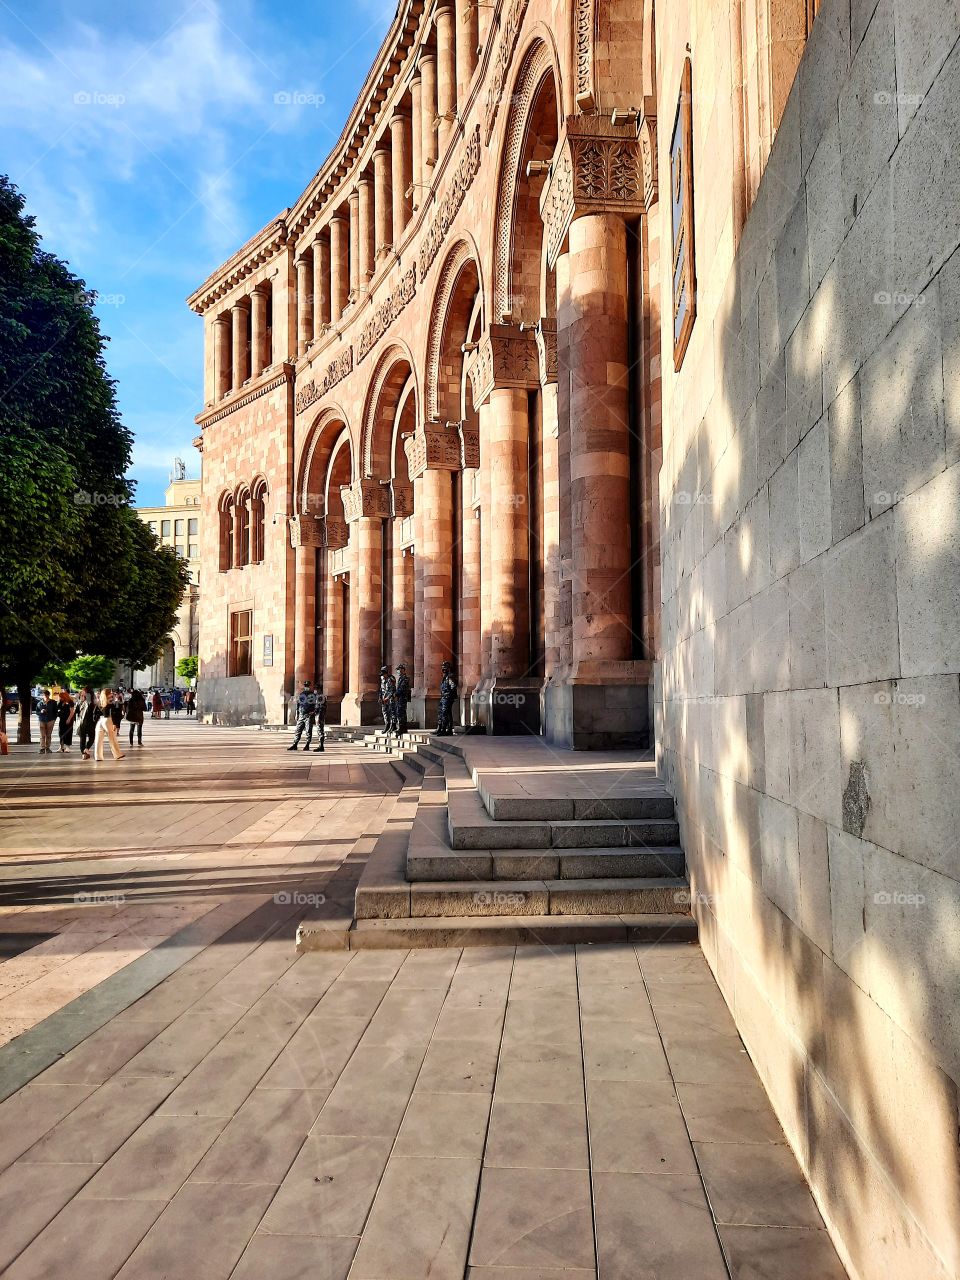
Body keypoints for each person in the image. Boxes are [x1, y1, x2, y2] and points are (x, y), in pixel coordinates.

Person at [93, 689, 124, 761]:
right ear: (108, 694)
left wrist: (96, 721)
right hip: (108, 720)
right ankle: (117, 754)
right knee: (112, 738)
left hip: (100, 720)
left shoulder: (100, 702)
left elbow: (95, 713)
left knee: (98, 739)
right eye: (110, 692)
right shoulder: (111, 702)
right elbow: (114, 714)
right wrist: (115, 723)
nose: (112, 693)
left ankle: (98, 756)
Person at [287, 680, 317, 751]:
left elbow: (316, 705)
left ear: (310, 686)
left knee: (308, 731)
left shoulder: (313, 695)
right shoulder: (302, 694)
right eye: (305, 686)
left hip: (308, 715)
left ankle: (307, 744)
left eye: (308, 686)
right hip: (301, 714)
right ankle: (295, 744)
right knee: (298, 730)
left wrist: (313, 712)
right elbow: (299, 704)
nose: (306, 687)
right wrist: (297, 714)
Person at [436, 661, 457, 736]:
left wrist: (448, 694)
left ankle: (444, 729)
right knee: (443, 713)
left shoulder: (450, 677)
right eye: (443, 668)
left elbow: (453, 687)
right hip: (444, 697)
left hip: (447, 698)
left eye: (445, 668)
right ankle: (445, 728)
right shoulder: (445, 677)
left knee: (445, 713)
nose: (443, 670)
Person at [75, 687, 97, 759]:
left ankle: (85, 750)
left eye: (84, 692)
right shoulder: (82, 701)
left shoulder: (90, 702)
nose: (82, 693)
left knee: (89, 738)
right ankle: (84, 752)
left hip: (88, 722)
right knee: (84, 738)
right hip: (84, 722)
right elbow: (76, 711)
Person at [37, 689, 59, 754]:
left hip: (50, 720)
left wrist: (54, 719)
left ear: (49, 695)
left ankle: (48, 748)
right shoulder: (40, 703)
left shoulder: (53, 702)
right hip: (42, 720)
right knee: (42, 735)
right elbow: (37, 711)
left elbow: (56, 711)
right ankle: (42, 748)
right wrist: (41, 712)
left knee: (48, 735)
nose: (45, 696)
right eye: (44, 695)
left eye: (47, 695)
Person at [379, 665, 398, 735]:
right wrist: (380, 697)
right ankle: (387, 725)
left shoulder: (391, 679)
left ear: (386, 673)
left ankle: (393, 725)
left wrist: (387, 698)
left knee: (392, 712)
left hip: (390, 699)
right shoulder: (382, 679)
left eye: (383, 674)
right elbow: (381, 689)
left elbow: (392, 690)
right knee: (385, 712)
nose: (383, 676)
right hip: (384, 699)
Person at [395, 663, 411, 734]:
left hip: (402, 698)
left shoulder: (405, 678)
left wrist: (396, 694)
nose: (398, 671)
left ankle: (402, 728)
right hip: (400, 698)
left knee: (401, 713)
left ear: (403, 670)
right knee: (400, 712)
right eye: (398, 670)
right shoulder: (400, 678)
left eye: (399, 670)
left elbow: (402, 688)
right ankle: (402, 728)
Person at [312, 684, 327, 752]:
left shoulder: (321, 697)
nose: (315, 690)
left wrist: (318, 716)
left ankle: (321, 746)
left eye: (316, 689)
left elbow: (321, 707)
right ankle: (320, 745)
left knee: (320, 730)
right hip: (317, 715)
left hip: (319, 715)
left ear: (319, 689)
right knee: (319, 730)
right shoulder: (318, 696)